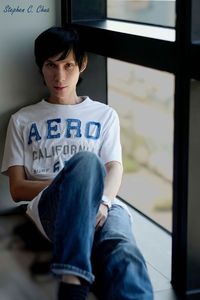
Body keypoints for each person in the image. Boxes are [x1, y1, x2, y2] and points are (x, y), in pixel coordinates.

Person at [1, 26, 153, 300]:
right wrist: (74, 185)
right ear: (41, 67)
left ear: (82, 65)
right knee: (87, 163)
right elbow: (17, 189)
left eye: (68, 65)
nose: (59, 76)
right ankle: (74, 280)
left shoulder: (105, 115)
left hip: (105, 206)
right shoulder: (22, 120)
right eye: (51, 65)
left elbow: (115, 168)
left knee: (124, 253)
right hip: (52, 209)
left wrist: (103, 201)